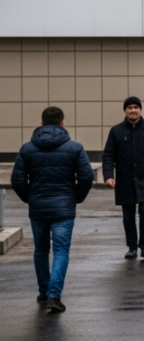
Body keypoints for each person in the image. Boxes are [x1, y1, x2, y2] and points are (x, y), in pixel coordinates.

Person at [10, 107, 94, 313]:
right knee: (61, 250)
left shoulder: (27, 148)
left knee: (40, 250)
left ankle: (43, 291)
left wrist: (30, 198)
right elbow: (87, 176)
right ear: (62, 123)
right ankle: (54, 295)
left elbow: (17, 180)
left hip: (38, 206)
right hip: (64, 207)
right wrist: (76, 197)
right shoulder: (75, 148)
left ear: (41, 123)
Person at [103, 96, 144, 259]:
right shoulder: (116, 131)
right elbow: (108, 155)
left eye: (136, 107)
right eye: (129, 108)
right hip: (125, 179)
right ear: (125, 110)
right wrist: (109, 175)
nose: (133, 110)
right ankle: (132, 246)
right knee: (128, 215)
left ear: (140, 110)